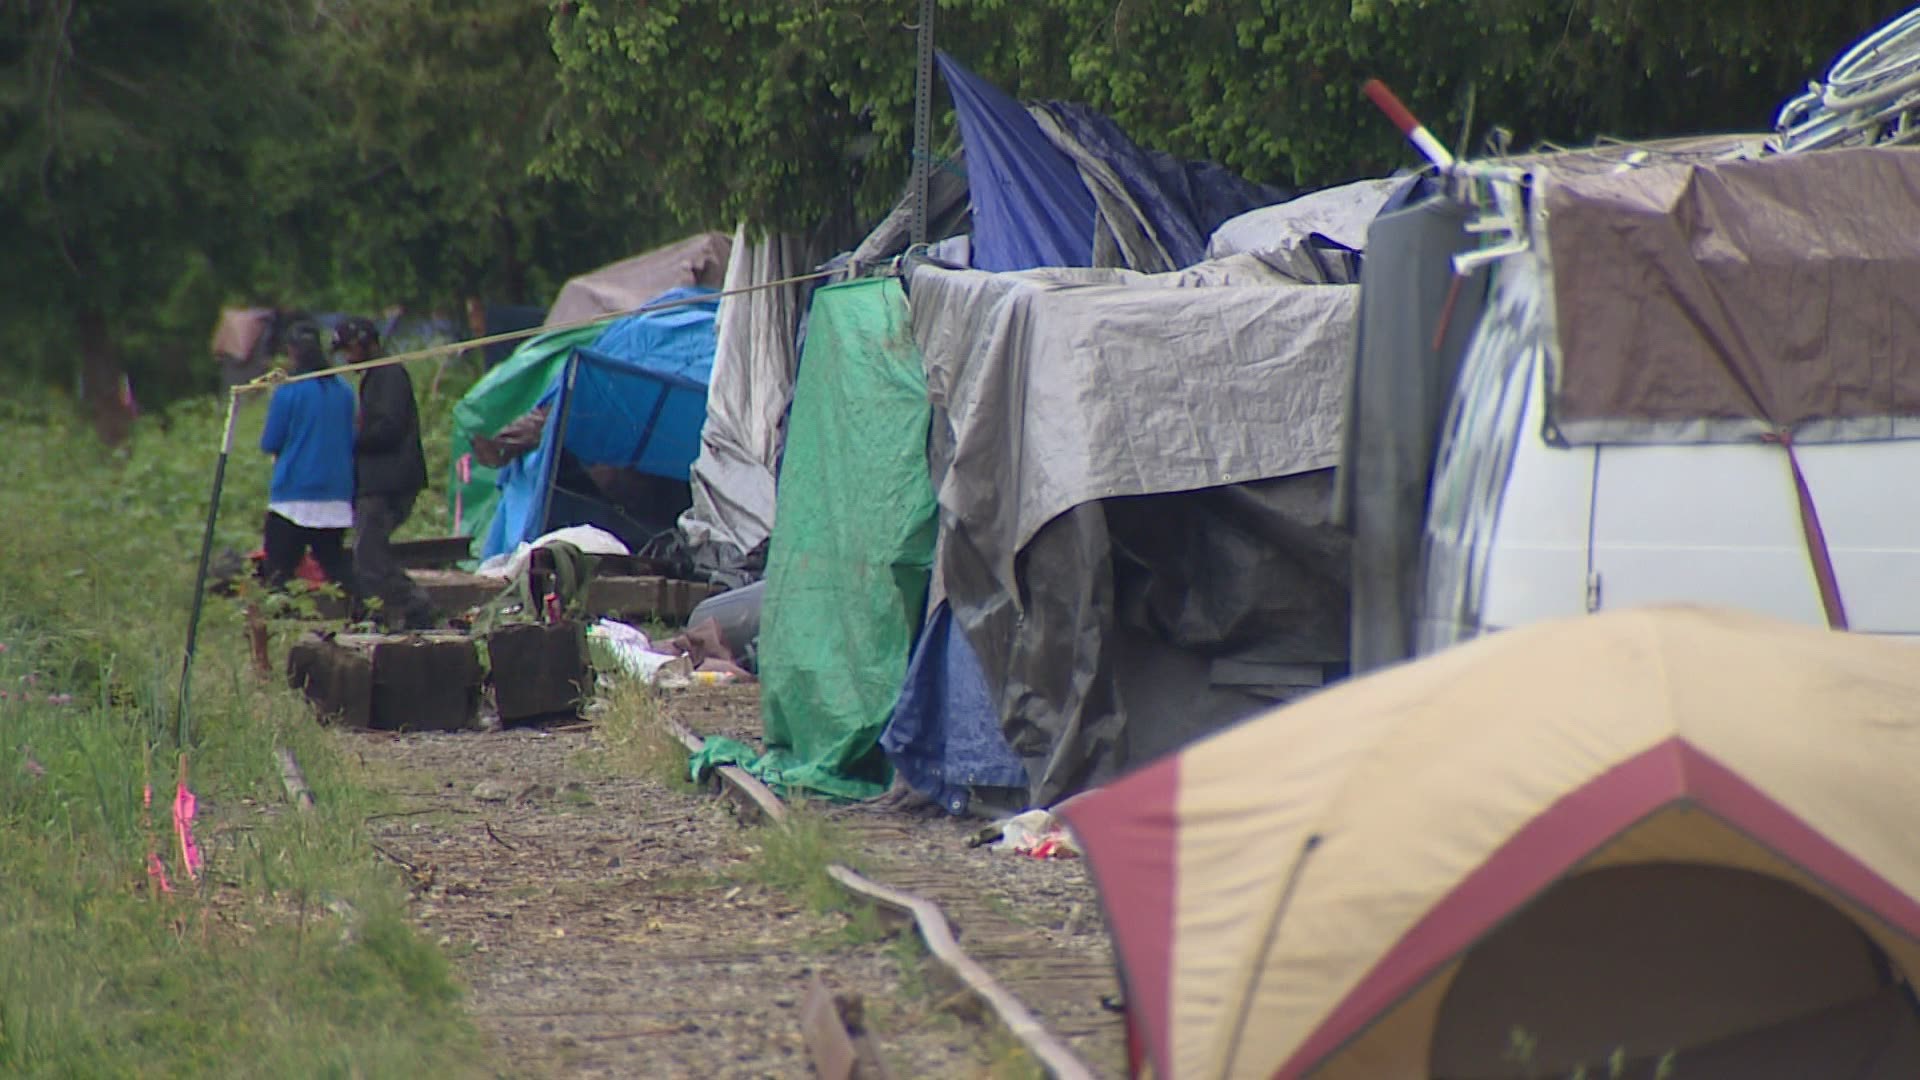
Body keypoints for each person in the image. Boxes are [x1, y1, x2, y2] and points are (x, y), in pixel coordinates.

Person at [334, 317, 436, 630]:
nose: (347, 358)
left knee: (369, 557)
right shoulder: (375, 376)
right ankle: (380, 614)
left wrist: (348, 437)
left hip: (388, 481)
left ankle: (415, 606)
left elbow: (389, 428)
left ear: (367, 342)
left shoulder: (389, 374)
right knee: (367, 555)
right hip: (377, 480)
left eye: (350, 348)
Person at [258, 319, 357, 591]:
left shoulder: (288, 391)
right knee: (337, 567)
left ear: (291, 351)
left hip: (293, 494)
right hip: (336, 494)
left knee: (278, 573)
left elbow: (270, 441)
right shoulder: (343, 391)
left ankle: (276, 627)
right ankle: (367, 613)